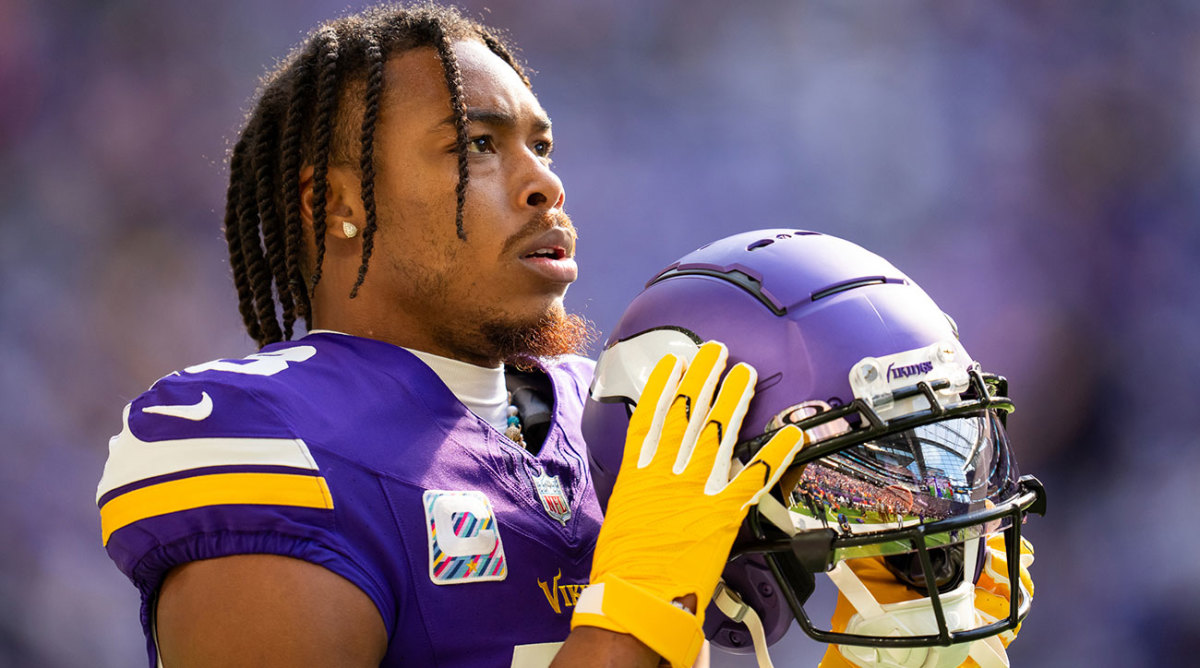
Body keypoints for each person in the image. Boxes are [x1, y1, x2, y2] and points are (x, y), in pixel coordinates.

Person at [95, 5, 801, 667]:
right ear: (338, 204)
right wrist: (637, 606)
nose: (545, 184)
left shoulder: (618, 416)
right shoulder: (266, 436)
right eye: (480, 145)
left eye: (543, 146)